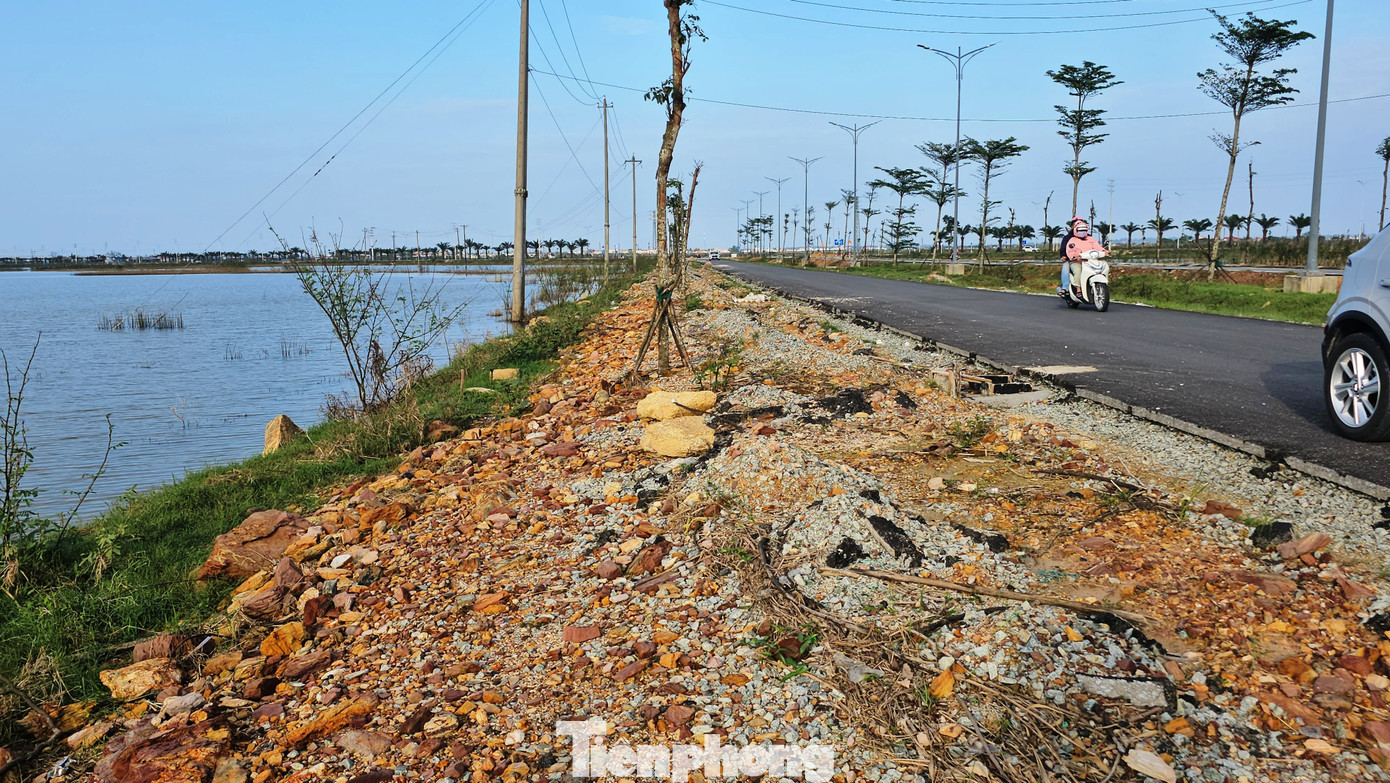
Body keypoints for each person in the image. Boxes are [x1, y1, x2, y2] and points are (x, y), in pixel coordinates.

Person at [1059, 217, 1106, 297]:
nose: (1082, 232)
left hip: (1089, 261)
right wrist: (1067, 256)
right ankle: (1073, 288)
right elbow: (1067, 249)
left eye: (1084, 229)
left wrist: (1104, 251)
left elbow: (1096, 246)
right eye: (1079, 229)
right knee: (1075, 270)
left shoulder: (1090, 238)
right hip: (1075, 260)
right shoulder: (1070, 239)